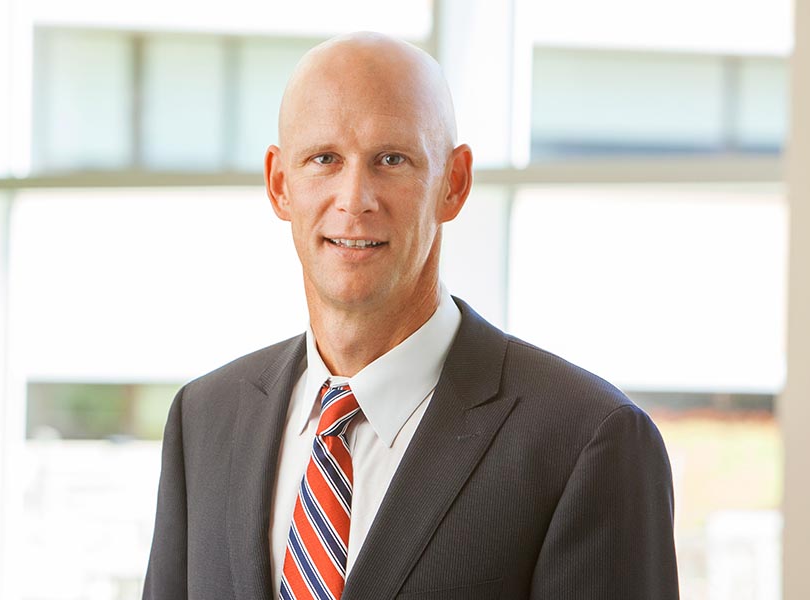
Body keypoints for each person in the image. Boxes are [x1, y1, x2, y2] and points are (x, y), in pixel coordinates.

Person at [143, 32, 679, 600]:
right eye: (324, 159)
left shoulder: (586, 440)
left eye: (391, 160)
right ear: (280, 185)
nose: (355, 198)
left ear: (454, 183)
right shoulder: (204, 419)